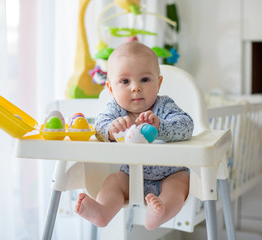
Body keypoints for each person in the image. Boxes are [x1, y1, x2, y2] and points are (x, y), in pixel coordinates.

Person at [74, 42, 194, 230]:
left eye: (145, 79)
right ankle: (103, 212)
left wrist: (160, 127)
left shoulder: (164, 106)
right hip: (130, 175)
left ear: (159, 83)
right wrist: (111, 130)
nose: (136, 87)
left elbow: (186, 126)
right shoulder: (115, 109)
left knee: (182, 183)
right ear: (111, 89)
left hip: (170, 174)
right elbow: (98, 128)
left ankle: (158, 215)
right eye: (125, 81)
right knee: (113, 180)